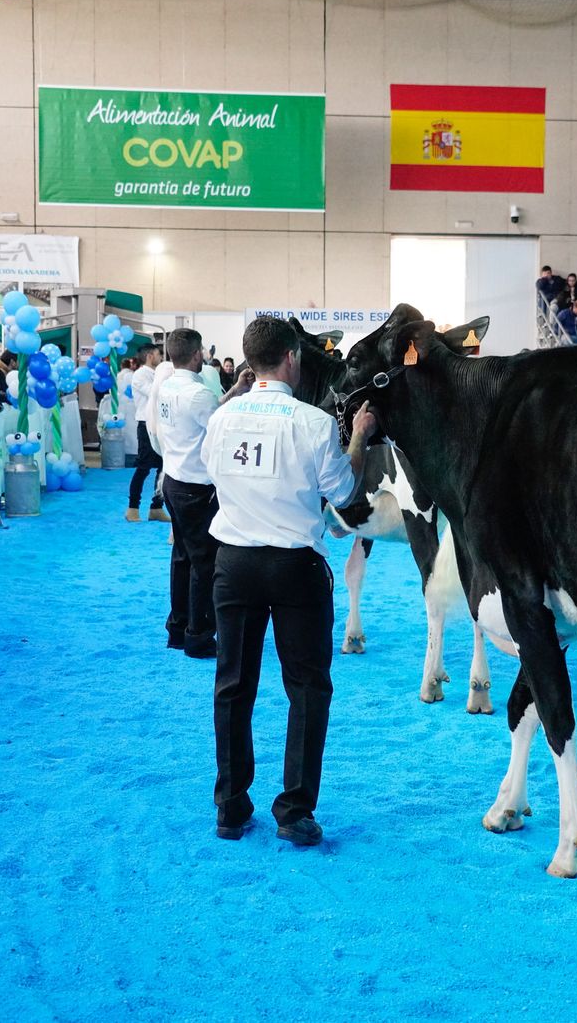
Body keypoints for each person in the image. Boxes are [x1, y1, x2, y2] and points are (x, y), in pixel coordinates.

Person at [202, 316, 376, 847]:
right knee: (307, 688)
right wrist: (361, 439)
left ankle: (231, 807)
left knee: (233, 684)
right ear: (293, 357)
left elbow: (214, 474)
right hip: (295, 566)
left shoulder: (221, 419)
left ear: (249, 359)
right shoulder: (314, 423)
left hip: (232, 561)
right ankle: (294, 811)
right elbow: (343, 495)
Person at [158, 328, 254, 660]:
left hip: (173, 481)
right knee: (204, 563)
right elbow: (220, 425)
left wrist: (237, 391)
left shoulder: (168, 387)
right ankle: (198, 636)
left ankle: (178, 627)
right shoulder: (197, 394)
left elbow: (210, 416)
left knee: (182, 558)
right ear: (198, 353)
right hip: (196, 488)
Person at [126, 343, 170, 523]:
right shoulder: (140, 375)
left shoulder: (156, 374)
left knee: (163, 468)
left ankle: (156, 507)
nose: (161, 358)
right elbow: (154, 393)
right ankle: (133, 508)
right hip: (146, 425)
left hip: (161, 425)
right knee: (143, 467)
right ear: (150, 356)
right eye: (159, 354)